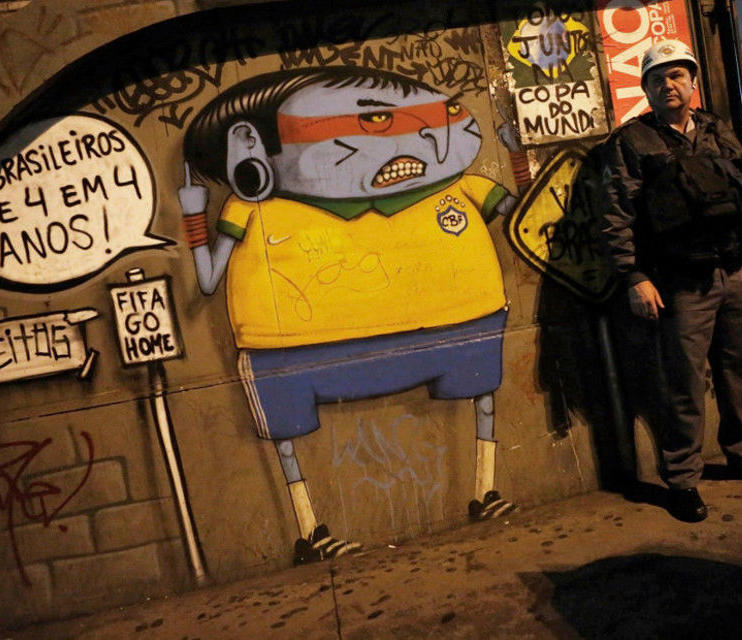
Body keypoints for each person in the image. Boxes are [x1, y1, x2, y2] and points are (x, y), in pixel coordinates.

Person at [178, 66, 519, 562]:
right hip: (296, 345)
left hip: (462, 323)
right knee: (288, 431)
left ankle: (485, 490)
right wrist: (193, 213)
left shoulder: (461, 187)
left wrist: (518, 155)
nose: (426, 133)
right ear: (249, 146)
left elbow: (532, 216)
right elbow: (207, 280)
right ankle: (312, 531)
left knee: (481, 394)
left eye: (442, 112)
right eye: (376, 119)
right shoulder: (251, 207)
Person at [600, 40, 742, 523]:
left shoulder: (716, 130)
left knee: (740, 368)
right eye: (656, 79)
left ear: (692, 82)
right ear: (644, 88)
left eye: (676, 76)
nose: (667, 85)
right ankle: (683, 478)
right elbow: (615, 217)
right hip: (679, 282)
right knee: (683, 383)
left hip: (731, 272)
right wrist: (634, 275)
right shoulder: (631, 142)